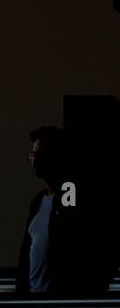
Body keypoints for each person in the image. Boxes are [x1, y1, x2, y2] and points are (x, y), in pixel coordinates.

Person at [15, 125, 114, 295]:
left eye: (40, 154)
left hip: (63, 304)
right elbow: (27, 253)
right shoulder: (38, 201)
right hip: (35, 301)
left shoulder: (77, 197)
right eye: (33, 154)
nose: (34, 160)